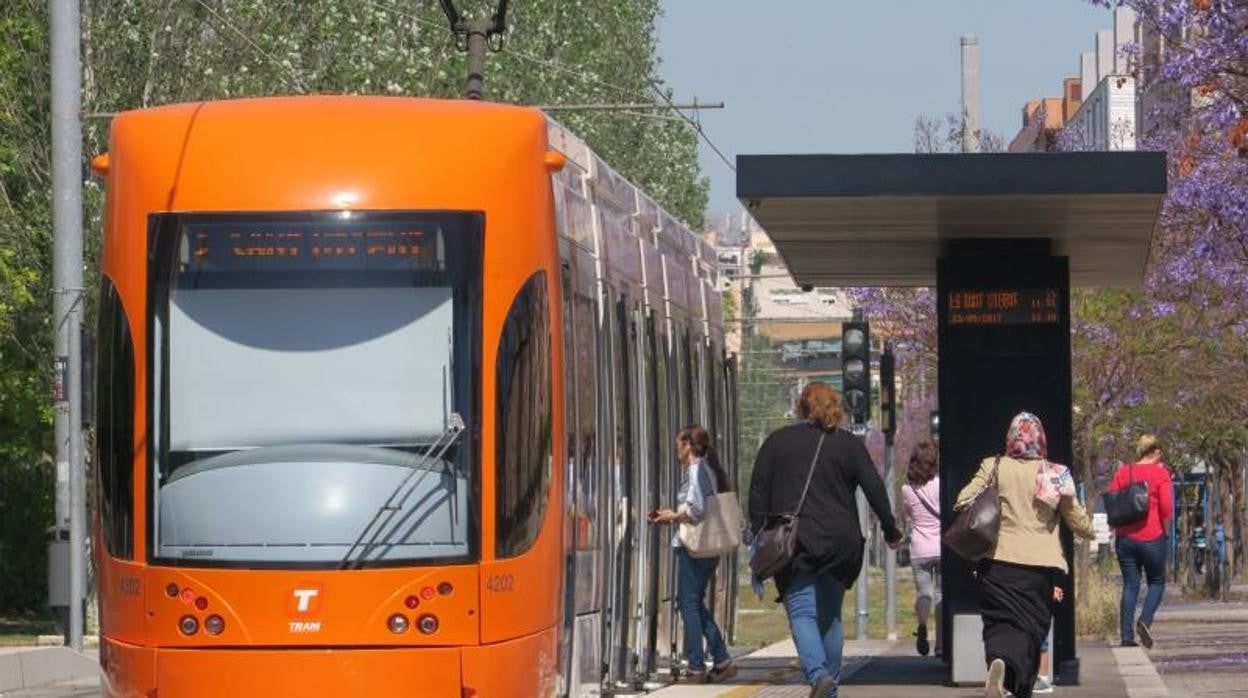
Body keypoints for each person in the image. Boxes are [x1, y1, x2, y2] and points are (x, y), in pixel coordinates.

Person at [748, 382, 901, 698]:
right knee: (830, 618)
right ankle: (829, 689)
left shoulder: (777, 443)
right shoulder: (848, 444)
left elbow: (757, 492)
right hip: (840, 544)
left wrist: (761, 532)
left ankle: (818, 676)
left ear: (801, 406)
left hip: (793, 543)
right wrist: (890, 530)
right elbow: (874, 487)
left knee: (803, 613)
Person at [955, 412, 1094, 698]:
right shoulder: (1055, 473)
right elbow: (1076, 519)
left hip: (997, 562)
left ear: (1011, 437)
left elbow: (963, 500)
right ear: (1041, 438)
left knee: (999, 623)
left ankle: (999, 662)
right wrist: (1092, 531)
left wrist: (994, 494)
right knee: (1030, 630)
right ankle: (1015, 680)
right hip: (1038, 569)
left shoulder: (994, 466)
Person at [648, 424, 737, 684]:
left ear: (688, 446)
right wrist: (673, 513)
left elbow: (696, 509)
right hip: (707, 548)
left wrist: (672, 516)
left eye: (679, 444)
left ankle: (697, 666)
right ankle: (721, 659)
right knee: (694, 603)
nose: (677, 449)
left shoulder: (697, 470)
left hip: (694, 549)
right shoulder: (708, 469)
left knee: (688, 604)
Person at [1109, 434, 1173, 649]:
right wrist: (1165, 528)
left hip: (1125, 538)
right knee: (1156, 582)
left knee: (1130, 585)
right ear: (1155, 451)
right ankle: (1144, 621)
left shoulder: (1122, 472)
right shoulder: (1161, 473)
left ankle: (1126, 637)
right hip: (1152, 536)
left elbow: (1113, 501)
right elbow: (1167, 507)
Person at [900, 439, 942, 657]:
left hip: (919, 548)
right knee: (941, 594)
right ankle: (941, 642)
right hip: (941, 547)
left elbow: (910, 515)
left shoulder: (907, 490)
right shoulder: (940, 484)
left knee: (924, 593)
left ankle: (923, 625)